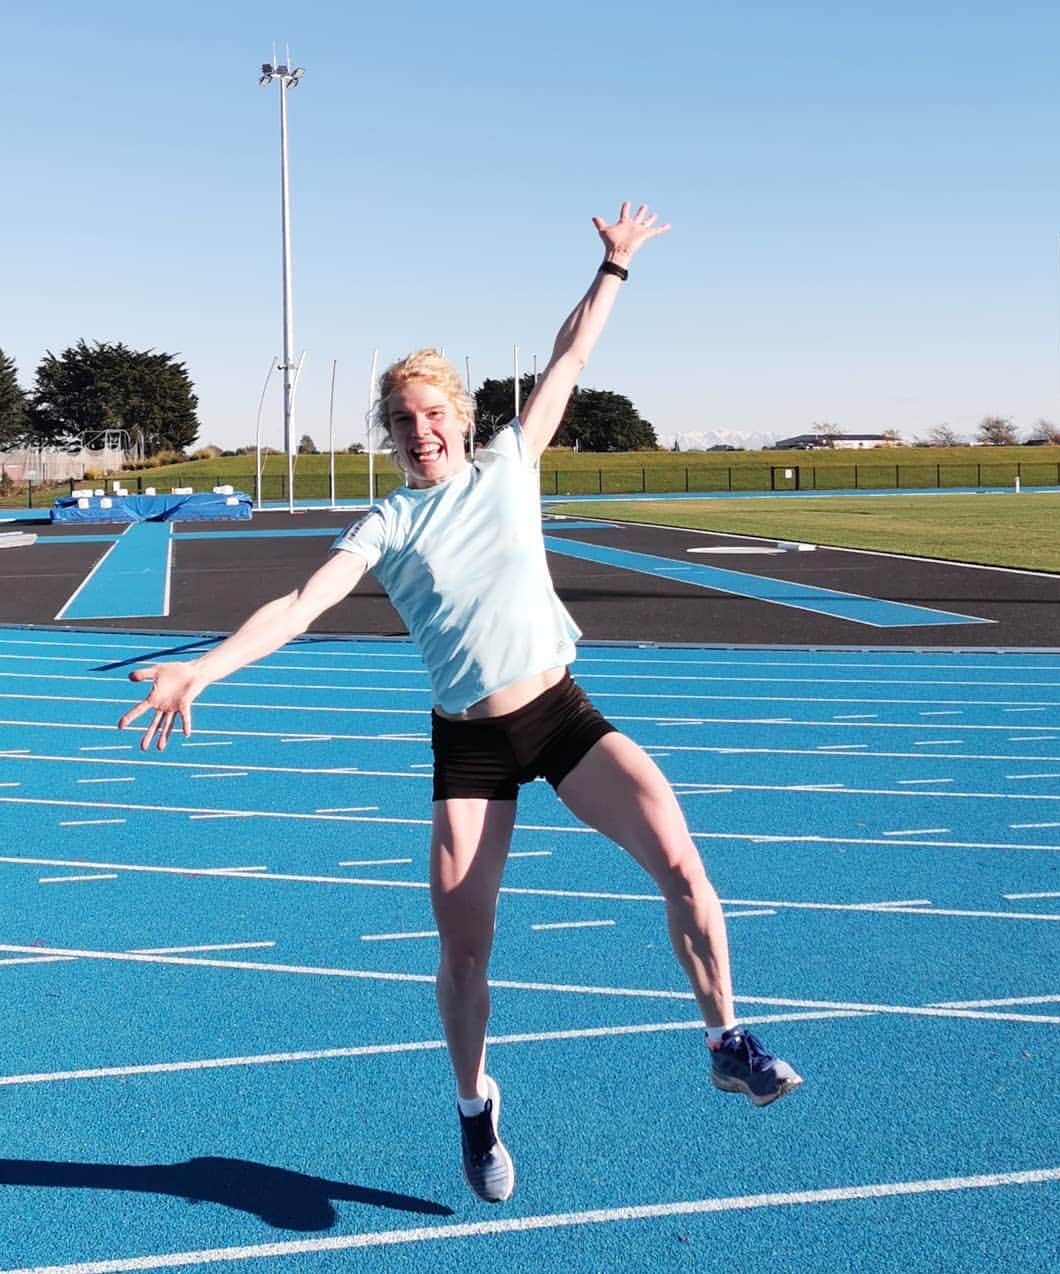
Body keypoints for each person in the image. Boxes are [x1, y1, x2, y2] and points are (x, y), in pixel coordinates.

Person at [119, 202, 801, 1205]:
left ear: (460, 418)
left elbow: (568, 359)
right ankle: (476, 1107)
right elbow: (300, 606)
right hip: (471, 749)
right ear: (391, 435)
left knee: (683, 861)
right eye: (401, 419)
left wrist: (614, 270)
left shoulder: (509, 466)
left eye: (433, 412)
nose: (419, 429)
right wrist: (203, 668)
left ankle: (724, 1035)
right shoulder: (386, 522)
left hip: (560, 715)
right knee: (465, 946)